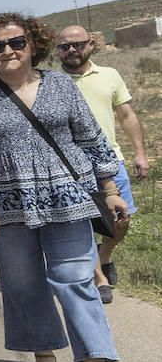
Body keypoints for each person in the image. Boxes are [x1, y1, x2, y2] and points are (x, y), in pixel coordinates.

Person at [0, 13, 125, 362]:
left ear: (33, 46)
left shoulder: (62, 85)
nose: (7, 51)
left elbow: (91, 138)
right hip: (7, 208)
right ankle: (43, 353)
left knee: (76, 279)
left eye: (16, 43)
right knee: (23, 283)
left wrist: (110, 189)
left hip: (66, 198)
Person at [58, 25, 150, 303]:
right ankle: (99, 278)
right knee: (84, 225)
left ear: (92, 44)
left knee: (122, 220)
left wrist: (140, 153)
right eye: (64, 46)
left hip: (112, 161)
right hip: (71, 169)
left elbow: (126, 115)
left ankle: (104, 257)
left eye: (77, 44)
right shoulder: (50, 83)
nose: (71, 50)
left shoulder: (110, 75)